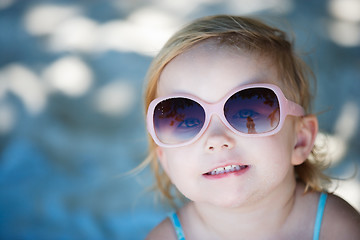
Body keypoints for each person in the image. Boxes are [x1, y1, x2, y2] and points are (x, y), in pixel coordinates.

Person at [142, 15, 360, 239]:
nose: (216, 138)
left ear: (300, 140)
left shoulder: (336, 228)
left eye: (246, 112)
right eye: (187, 121)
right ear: (165, 159)